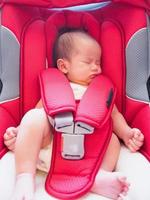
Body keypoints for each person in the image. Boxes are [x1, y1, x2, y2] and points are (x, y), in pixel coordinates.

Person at [4, 30, 144, 200]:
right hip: (51, 148)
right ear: (64, 66)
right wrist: (20, 133)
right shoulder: (55, 88)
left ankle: (97, 176)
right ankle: (24, 176)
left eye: (98, 63)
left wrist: (127, 133)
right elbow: (39, 112)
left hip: (90, 155)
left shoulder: (101, 92)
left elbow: (114, 115)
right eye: (88, 62)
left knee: (113, 140)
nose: (97, 68)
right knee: (33, 117)